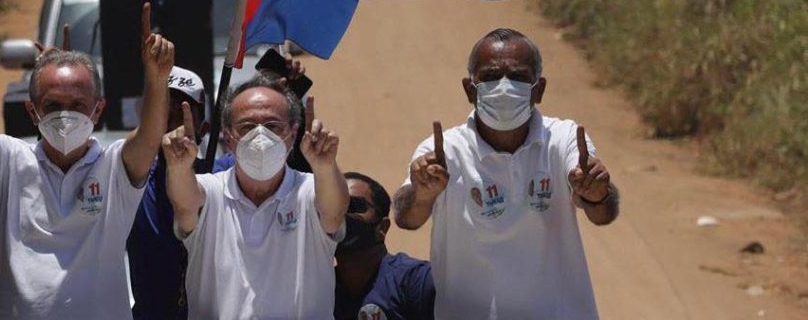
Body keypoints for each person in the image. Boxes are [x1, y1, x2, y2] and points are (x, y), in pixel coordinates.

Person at [0, 0, 173, 319]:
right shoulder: (8, 163)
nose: (66, 114)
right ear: (32, 111)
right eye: (53, 104)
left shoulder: (115, 168)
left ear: (98, 109)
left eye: (78, 103)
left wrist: (157, 78)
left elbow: (149, 137)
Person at [393, 28, 620, 320]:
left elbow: (604, 212)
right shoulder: (445, 150)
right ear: (469, 89)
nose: (503, 87)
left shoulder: (563, 138)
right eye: (489, 77)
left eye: (518, 77)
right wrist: (422, 193)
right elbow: (406, 217)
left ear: (539, 90)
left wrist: (596, 192)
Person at [162, 75, 349, 319]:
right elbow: (184, 204)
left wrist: (325, 166)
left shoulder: (311, 190)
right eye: (247, 127)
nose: (260, 137)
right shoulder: (210, 193)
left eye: (272, 126)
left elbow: (334, 212)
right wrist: (178, 168)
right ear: (228, 138)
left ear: (293, 134)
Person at [127, 66, 209, 320]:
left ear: (204, 128)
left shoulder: (222, 176)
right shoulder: (130, 182)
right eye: (163, 113)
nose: (171, 125)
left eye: (180, 115)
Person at [335, 172, 436, 320]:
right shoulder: (317, 289)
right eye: (332, 207)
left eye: (354, 206)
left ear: (382, 227)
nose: (341, 215)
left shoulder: (416, 282)